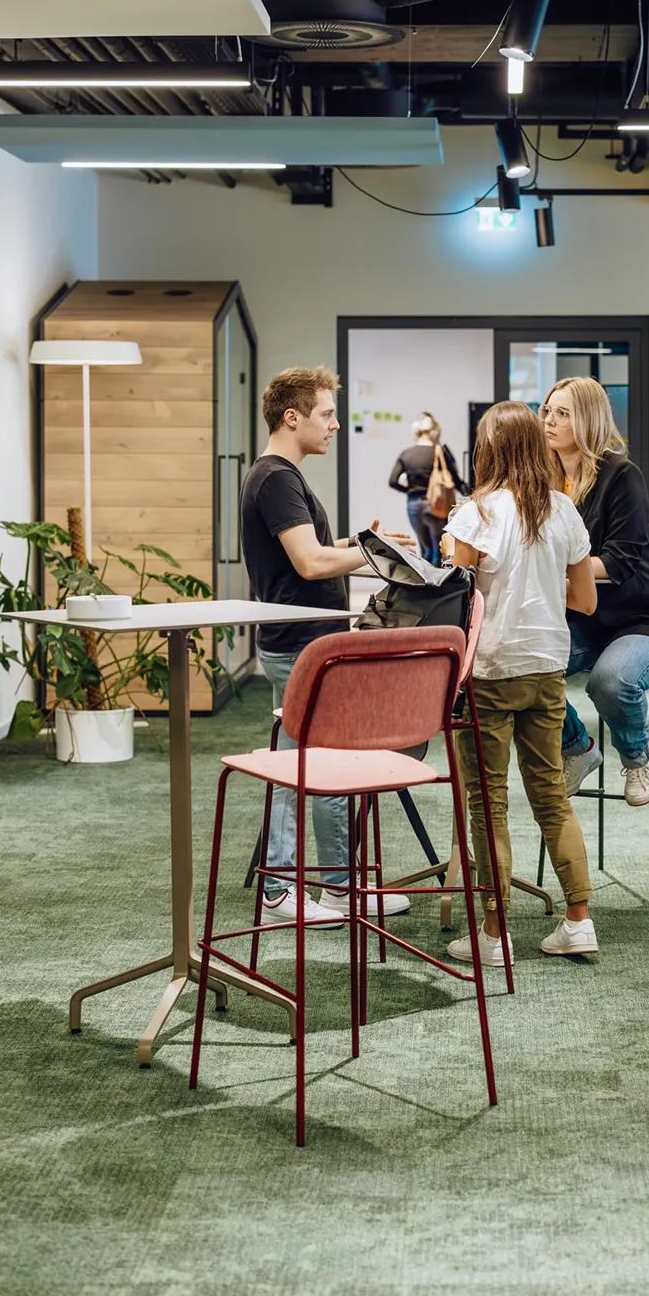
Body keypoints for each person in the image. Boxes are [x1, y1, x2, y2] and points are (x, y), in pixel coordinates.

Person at [240, 365, 414, 929]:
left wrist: (364, 544)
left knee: (314, 765)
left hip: (304, 643)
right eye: (327, 414)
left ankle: (337, 888)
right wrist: (377, 556)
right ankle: (283, 892)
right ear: (293, 417)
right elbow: (310, 563)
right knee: (301, 768)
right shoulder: (276, 478)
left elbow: (312, 549)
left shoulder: (279, 475)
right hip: (300, 646)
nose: (336, 424)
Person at [440, 400, 601, 967]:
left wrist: (455, 550)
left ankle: (493, 933)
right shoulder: (563, 510)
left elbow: (452, 589)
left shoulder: (476, 513)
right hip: (547, 666)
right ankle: (578, 921)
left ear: (488, 451)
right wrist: (538, 588)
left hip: (490, 669)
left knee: (489, 802)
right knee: (551, 795)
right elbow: (585, 600)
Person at [542, 376, 649, 808]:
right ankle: (577, 746)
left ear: (588, 420)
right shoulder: (545, 478)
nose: (549, 420)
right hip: (587, 618)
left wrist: (551, 568)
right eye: (548, 411)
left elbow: (620, 561)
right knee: (525, 669)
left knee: (610, 681)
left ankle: (638, 759)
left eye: (563, 413)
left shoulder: (621, 475)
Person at [388, 412, 466, 565]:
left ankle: (423, 577)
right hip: (436, 504)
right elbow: (455, 480)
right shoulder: (440, 452)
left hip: (413, 505)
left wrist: (411, 491)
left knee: (425, 549)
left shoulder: (406, 454)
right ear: (435, 431)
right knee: (438, 548)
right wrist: (470, 495)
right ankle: (436, 578)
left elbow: (392, 481)